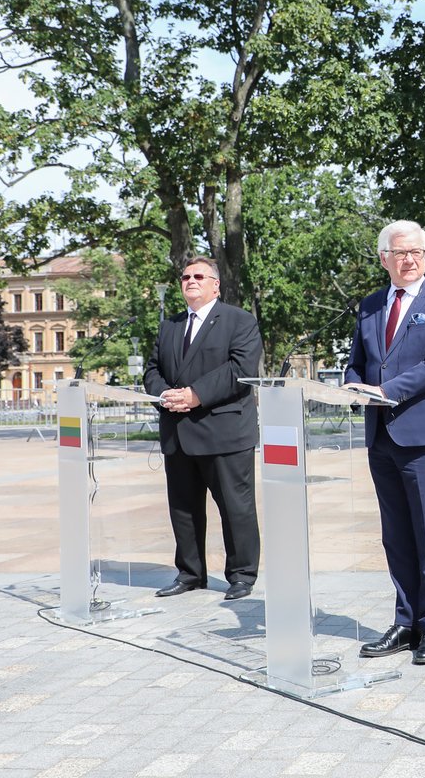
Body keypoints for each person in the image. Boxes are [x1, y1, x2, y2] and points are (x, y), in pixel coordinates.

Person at [344, 220, 425, 665]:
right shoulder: (372, 305)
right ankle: (405, 622)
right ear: (384, 259)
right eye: (399, 253)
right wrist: (354, 386)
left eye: (416, 252)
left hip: (424, 436)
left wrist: (385, 390)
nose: (409, 259)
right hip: (380, 436)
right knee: (395, 536)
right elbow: (356, 363)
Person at [143, 256, 264, 601]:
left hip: (223, 432)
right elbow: (151, 371)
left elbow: (240, 369)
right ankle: (191, 573)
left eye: (199, 276)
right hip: (177, 432)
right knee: (182, 508)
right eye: (185, 276)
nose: (190, 281)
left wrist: (196, 395)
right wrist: (164, 394)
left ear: (216, 284)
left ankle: (241, 574)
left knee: (235, 508)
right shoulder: (169, 326)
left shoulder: (239, 321)